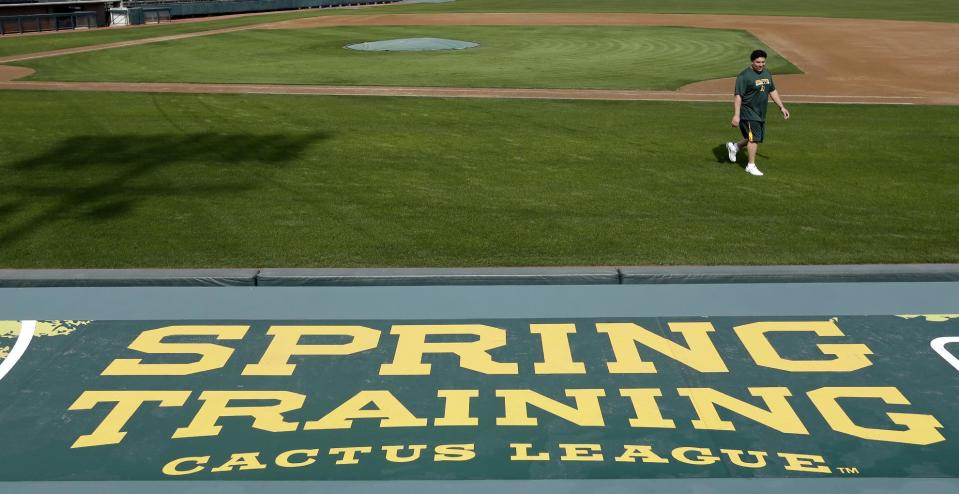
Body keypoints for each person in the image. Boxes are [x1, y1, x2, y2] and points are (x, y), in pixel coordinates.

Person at [726, 49, 790, 176]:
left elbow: (772, 90)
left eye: (763, 62)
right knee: (754, 139)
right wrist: (736, 115)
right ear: (752, 61)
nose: (761, 65)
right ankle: (750, 166)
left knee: (754, 137)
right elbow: (738, 96)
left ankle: (734, 147)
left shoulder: (766, 73)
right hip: (748, 112)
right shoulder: (744, 76)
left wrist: (781, 107)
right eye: (758, 62)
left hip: (760, 113)